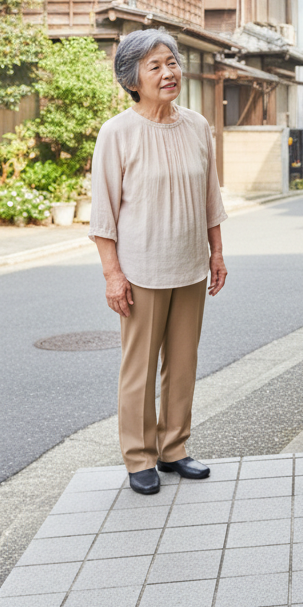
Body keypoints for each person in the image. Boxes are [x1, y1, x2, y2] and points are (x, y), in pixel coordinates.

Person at [89, 28, 228, 496]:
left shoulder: (197, 126)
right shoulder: (117, 132)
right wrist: (113, 274)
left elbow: (210, 196)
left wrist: (218, 252)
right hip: (141, 270)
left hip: (190, 264)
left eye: (172, 62)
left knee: (183, 362)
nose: (169, 73)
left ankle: (174, 449)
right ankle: (139, 457)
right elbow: (104, 212)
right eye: (155, 66)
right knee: (140, 367)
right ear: (133, 80)